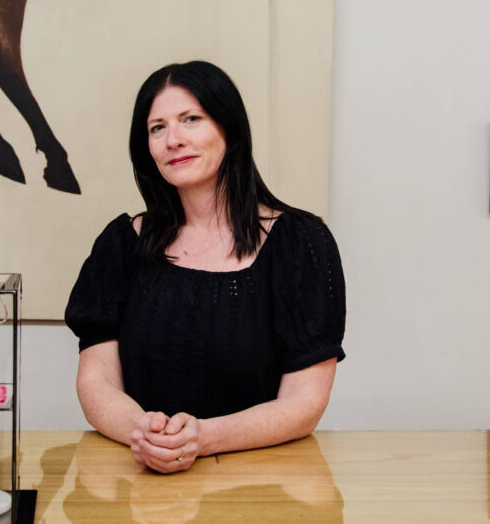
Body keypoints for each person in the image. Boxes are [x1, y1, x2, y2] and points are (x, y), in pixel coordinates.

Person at [65, 60, 345, 474]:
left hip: (260, 489)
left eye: (190, 119)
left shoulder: (301, 243)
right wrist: (142, 431)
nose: (172, 139)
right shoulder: (122, 243)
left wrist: (203, 438)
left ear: (228, 129)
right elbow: (97, 381)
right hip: (143, 488)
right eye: (157, 128)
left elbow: (305, 404)